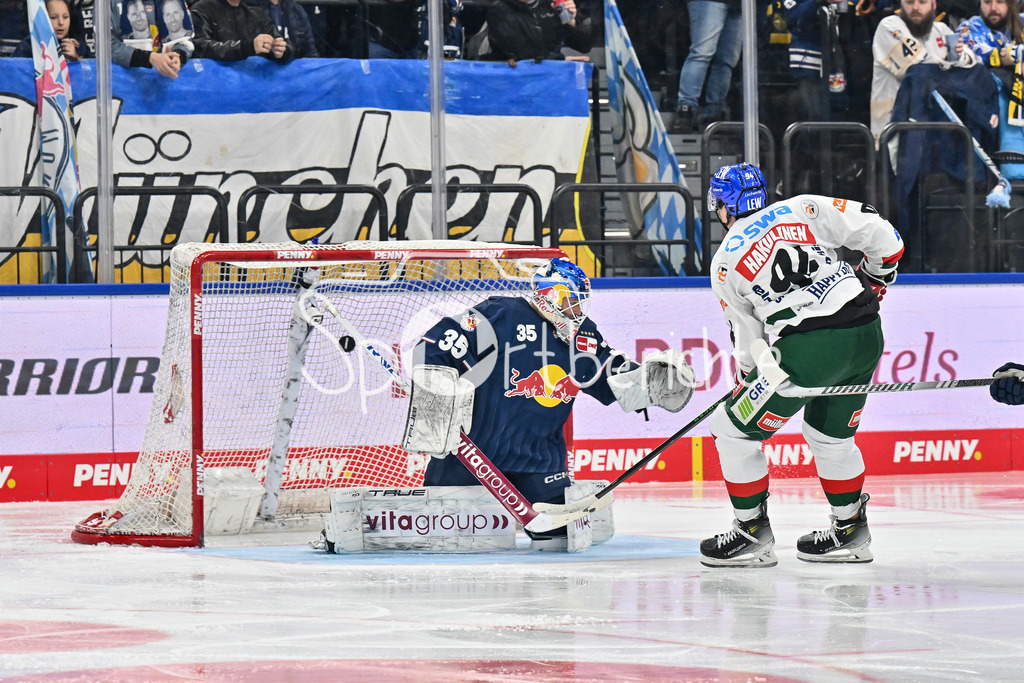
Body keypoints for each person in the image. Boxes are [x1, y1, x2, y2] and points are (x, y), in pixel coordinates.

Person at [404, 257, 695, 550]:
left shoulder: (584, 336)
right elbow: (433, 349)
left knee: (559, 539)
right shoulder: (501, 315)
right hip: (471, 456)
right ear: (549, 294)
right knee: (443, 541)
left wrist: (650, 383)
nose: (577, 311)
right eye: (571, 301)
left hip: (538, 462)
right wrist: (439, 399)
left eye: (581, 303)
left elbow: (612, 375)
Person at [701, 163, 904, 567]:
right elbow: (885, 236)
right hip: (866, 332)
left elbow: (749, 343)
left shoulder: (725, 261)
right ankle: (849, 531)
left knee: (732, 431)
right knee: (830, 437)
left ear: (724, 206)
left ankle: (750, 533)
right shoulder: (802, 208)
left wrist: (747, 382)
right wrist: (878, 277)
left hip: (811, 349)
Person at [870, 0, 980, 141]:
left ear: (933, 5)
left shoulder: (942, 30)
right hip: (895, 132)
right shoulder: (889, 26)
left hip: (935, 133)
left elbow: (972, 60)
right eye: (909, 2)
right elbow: (918, 70)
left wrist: (961, 58)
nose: (915, 7)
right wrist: (952, 65)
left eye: (922, 2)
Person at [669, 0, 742, 134]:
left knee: (726, 61)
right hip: (709, 2)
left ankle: (714, 113)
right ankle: (686, 109)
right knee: (701, 53)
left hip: (740, 5)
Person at [484, 0, 593, 66]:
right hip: (513, 78)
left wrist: (572, 22)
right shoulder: (498, 9)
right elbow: (522, 52)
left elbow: (584, 46)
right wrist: (559, 60)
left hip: (551, 77)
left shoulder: (551, 5)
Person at [111, 0, 193, 79]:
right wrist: (149, 58)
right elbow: (104, 46)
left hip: (166, 83)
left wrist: (177, 56)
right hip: (121, 85)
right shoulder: (112, 3)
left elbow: (186, 41)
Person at [190, 0, 292, 62]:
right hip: (219, 85)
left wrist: (281, 51)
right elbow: (201, 48)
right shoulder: (201, 9)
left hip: (255, 84)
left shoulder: (258, 14)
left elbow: (287, 45)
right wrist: (247, 47)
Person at [13, 0, 91, 60]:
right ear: (42, 18)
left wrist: (76, 58)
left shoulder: (78, 46)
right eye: (53, 17)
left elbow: (92, 75)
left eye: (65, 17)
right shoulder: (29, 46)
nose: (61, 23)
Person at [245, 0, 318, 58]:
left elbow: (310, 51)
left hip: (294, 70)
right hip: (259, 71)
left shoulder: (297, 10)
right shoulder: (247, 8)